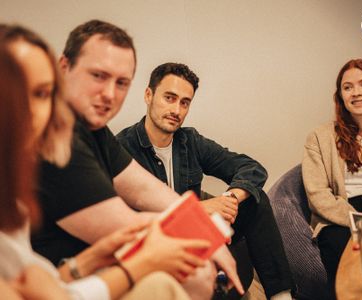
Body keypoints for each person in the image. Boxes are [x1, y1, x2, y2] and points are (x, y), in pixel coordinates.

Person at [26, 20, 243, 299]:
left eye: (121, 83)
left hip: (92, 266)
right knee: (196, 272)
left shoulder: (95, 130)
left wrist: (207, 233)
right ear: (64, 67)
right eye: (98, 76)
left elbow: (143, 189)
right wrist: (207, 239)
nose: (109, 94)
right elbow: (123, 225)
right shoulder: (54, 133)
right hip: (56, 281)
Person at [116, 62, 295, 300]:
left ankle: (281, 296)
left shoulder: (189, 141)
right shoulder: (122, 148)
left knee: (256, 200)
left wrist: (230, 198)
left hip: (198, 235)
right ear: (148, 95)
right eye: (169, 98)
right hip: (156, 245)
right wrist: (199, 210)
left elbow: (252, 168)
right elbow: (127, 222)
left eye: (184, 102)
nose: (176, 110)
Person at [302, 59, 362, 300]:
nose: (356, 92)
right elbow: (317, 195)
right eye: (348, 87)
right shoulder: (319, 137)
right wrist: (358, 222)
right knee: (340, 247)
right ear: (340, 96)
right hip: (341, 219)